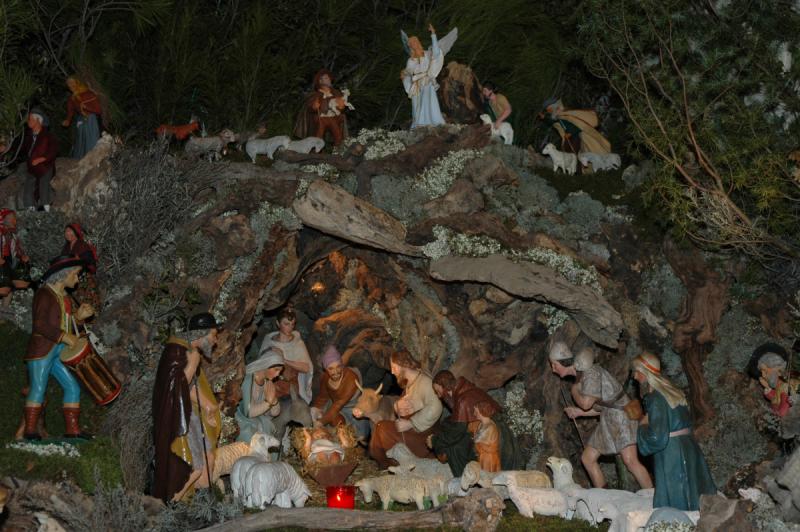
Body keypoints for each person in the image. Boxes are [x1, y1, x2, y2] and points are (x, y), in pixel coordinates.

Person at [549, 339, 652, 489]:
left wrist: (574, 391)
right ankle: (604, 495)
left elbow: (586, 403)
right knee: (587, 458)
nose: (553, 369)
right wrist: (579, 413)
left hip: (621, 418)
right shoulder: (581, 375)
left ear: (563, 363)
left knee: (630, 461)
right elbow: (601, 406)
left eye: (555, 365)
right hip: (609, 418)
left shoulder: (590, 373)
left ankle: (652, 497)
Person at [22, 256, 95, 440]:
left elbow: (67, 324)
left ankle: (72, 430)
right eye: (76, 275)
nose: (77, 279)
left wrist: (79, 317)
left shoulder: (65, 297)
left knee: (72, 386)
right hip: (42, 351)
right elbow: (40, 325)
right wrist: (64, 337)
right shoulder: (44, 294)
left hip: (57, 351)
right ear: (64, 275)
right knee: (38, 388)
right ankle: (30, 431)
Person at [633, 352, 716, 511]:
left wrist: (642, 427)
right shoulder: (672, 391)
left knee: (677, 496)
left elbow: (657, 436)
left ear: (644, 373)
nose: (635, 377)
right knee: (693, 489)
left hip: (672, 453)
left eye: (637, 372)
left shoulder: (655, 398)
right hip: (688, 446)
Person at [152, 312, 222, 502]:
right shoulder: (176, 351)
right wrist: (192, 365)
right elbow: (175, 388)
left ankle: (200, 502)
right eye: (213, 335)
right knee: (194, 466)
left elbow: (189, 387)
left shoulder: (189, 351)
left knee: (208, 458)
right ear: (201, 333)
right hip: (177, 418)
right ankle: (171, 504)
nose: (215, 341)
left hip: (188, 411)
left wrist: (208, 406)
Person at [430, 369, 521, 476]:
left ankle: (464, 476)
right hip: (485, 430)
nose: (438, 395)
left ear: (443, 386)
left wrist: (435, 440)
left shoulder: (463, 399)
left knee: (455, 448)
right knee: (446, 424)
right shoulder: (464, 390)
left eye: (438, 391)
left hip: (491, 439)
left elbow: (457, 432)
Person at [369, 350, 442, 469]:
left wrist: (411, 423)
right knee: (380, 428)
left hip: (423, 435)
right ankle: (387, 462)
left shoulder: (425, 382)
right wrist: (397, 406)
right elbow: (402, 403)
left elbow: (436, 407)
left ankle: (393, 463)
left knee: (382, 429)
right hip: (412, 431)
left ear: (403, 365)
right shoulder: (409, 383)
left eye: (394, 367)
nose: (392, 372)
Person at [400, 25, 457, 128]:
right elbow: (409, 72)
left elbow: (436, 53)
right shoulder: (411, 60)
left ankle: (434, 121)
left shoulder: (427, 54)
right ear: (410, 47)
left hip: (427, 82)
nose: (415, 45)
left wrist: (433, 35)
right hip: (417, 85)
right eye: (412, 44)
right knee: (417, 106)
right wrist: (404, 76)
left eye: (416, 42)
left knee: (430, 101)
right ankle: (419, 124)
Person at [310, 345, 370, 441]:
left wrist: (321, 421)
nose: (336, 371)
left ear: (342, 365)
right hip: (336, 409)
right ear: (325, 369)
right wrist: (316, 409)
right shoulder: (325, 378)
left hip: (353, 409)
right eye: (331, 368)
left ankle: (348, 438)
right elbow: (323, 397)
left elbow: (339, 403)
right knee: (335, 420)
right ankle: (337, 438)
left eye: (338, 367)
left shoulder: (351, 378)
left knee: (357, 433)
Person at [259, 307, 313, 404]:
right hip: (272, 381)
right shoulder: (269, 340)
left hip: (291, 384)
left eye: (292, 324)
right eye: (286, 324)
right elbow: (261, 363)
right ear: (278, 323)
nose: (290, 327)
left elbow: (306, 368)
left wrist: (283, 360)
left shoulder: (297, 343)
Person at [235, 346, 285, 442]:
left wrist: (274, 401)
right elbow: (248, 412)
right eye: (276, 370)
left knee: (270, 431)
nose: (278, 374)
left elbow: (275, 413)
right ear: (266, 365)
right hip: (242, 419)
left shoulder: (267, 382)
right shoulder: (248, 380)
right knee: (252, 435)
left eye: (280, 371)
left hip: (256, 420)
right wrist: (268, 403)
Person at [538, 98, 612, 155]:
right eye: (548, 111)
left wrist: (570, 133)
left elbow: (579, 126)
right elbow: (555, 123)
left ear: (554, 108)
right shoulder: (560, 117)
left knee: (578, 153)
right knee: (570, 152)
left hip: (578, 137)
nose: (549, 112)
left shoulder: (567, 115)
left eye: (550, 110)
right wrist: (544, 118)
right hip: (571, 138)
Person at [293, 69, 348, 146]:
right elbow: (309, 107)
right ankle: (324, 146)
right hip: (319, 117)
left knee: (329, 121)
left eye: (327, 78)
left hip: (335, 117)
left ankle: (328, 146)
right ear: (320, 81)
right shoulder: (316, 94)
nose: (327, 80)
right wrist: (314, 107)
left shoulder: (336, 93)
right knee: (323, 121)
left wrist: (341, 106)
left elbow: (341, 107)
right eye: (324, 78)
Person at [20, 109, 58, 211]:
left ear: (38, 120)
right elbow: (20, 148)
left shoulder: (48, 136)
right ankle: (29, 207)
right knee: (28, 187)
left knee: (43, 185)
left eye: (31, 119)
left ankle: (46, 209)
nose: (28, 121)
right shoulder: (28, 136)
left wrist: (42, 159)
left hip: (45, 167)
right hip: (32, 167)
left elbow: (53, 150)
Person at [61, 222, 100, 309]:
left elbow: (90, 261)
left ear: (76, 232)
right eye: (66, 232)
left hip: (83, 278)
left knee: (89, 299)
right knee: (75, 302)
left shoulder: (82, 245)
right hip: (70, 280)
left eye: (70, 231)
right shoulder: (66, 248)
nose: (67, 234)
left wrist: (79, 259)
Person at [62, 76, 103, 159]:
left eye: (72, 82)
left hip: (91, 120)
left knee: (91, 140)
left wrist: (87, 107)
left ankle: (94, 158)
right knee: (81, 142)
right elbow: (70, 111)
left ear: (77, 82)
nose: (70, 85)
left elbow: (99, 110)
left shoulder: (88, 94)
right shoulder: (72, 98)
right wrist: (68, 120)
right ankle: (80, 160)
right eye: (68, 84)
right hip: (81, 120)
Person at [0, 209, 30, 303]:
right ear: (4, 219)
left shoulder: (13, 235)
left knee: (8, 286)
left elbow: (17, 250)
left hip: (8, 261)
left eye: (14, 219)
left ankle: (5, 309)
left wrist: (22, 257)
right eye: (11, 218)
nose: (14, 221)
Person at [473, 401, 501, 472]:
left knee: (487, 477)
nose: (474, 414)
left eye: (476, 412)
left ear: (482, 412)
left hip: (488, 459)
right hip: (482, 456)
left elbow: (477, 440)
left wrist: (476, 441)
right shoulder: (481, 424)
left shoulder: (490, 427)